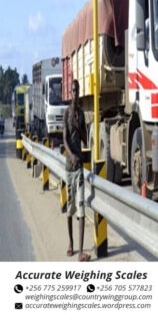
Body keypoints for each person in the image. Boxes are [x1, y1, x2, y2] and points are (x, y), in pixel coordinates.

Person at [63, 79, 91, 262]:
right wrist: (71, 154)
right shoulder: (66, 113)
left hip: (79, 168)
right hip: (69, 168)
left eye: (77, 90)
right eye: (73, 90)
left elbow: (85, 140)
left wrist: (79, 125)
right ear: (70, 93)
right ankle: (71, 243)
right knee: (70, 210)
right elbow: (64, 139)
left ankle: (81, 250)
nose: (75, 93)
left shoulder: (81, 114)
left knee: (81, 208)